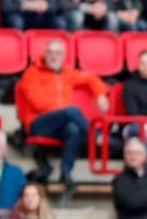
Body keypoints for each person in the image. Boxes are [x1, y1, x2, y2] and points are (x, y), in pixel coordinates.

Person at [15, 39, 109, 190]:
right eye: (50, 53)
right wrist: (64, 112)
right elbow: (38, 103)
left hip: (60, 122)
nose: (54, 56)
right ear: (45, 54)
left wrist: (100, 94)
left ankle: (65, 172)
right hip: (38, 123)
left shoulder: (67, 74)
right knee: (72, 111)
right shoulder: (31, 73)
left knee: (73, 129)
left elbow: (90, 78)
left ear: (63, 56)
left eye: (58, 53)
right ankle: (97, 137)